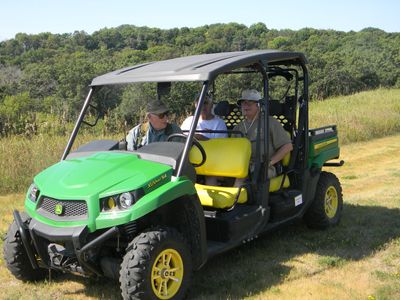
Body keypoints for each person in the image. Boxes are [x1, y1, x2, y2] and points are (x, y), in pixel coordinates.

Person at [234, 89, 293, 180]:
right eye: (243, 103)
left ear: (259, 105)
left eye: (249, 103)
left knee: (245, 176)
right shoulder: (238, 127)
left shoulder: (270, 122)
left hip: (264, 168)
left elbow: (287, 146)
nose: (245, 105)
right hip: (241, 165)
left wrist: (268, 163)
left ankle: (237, 192)